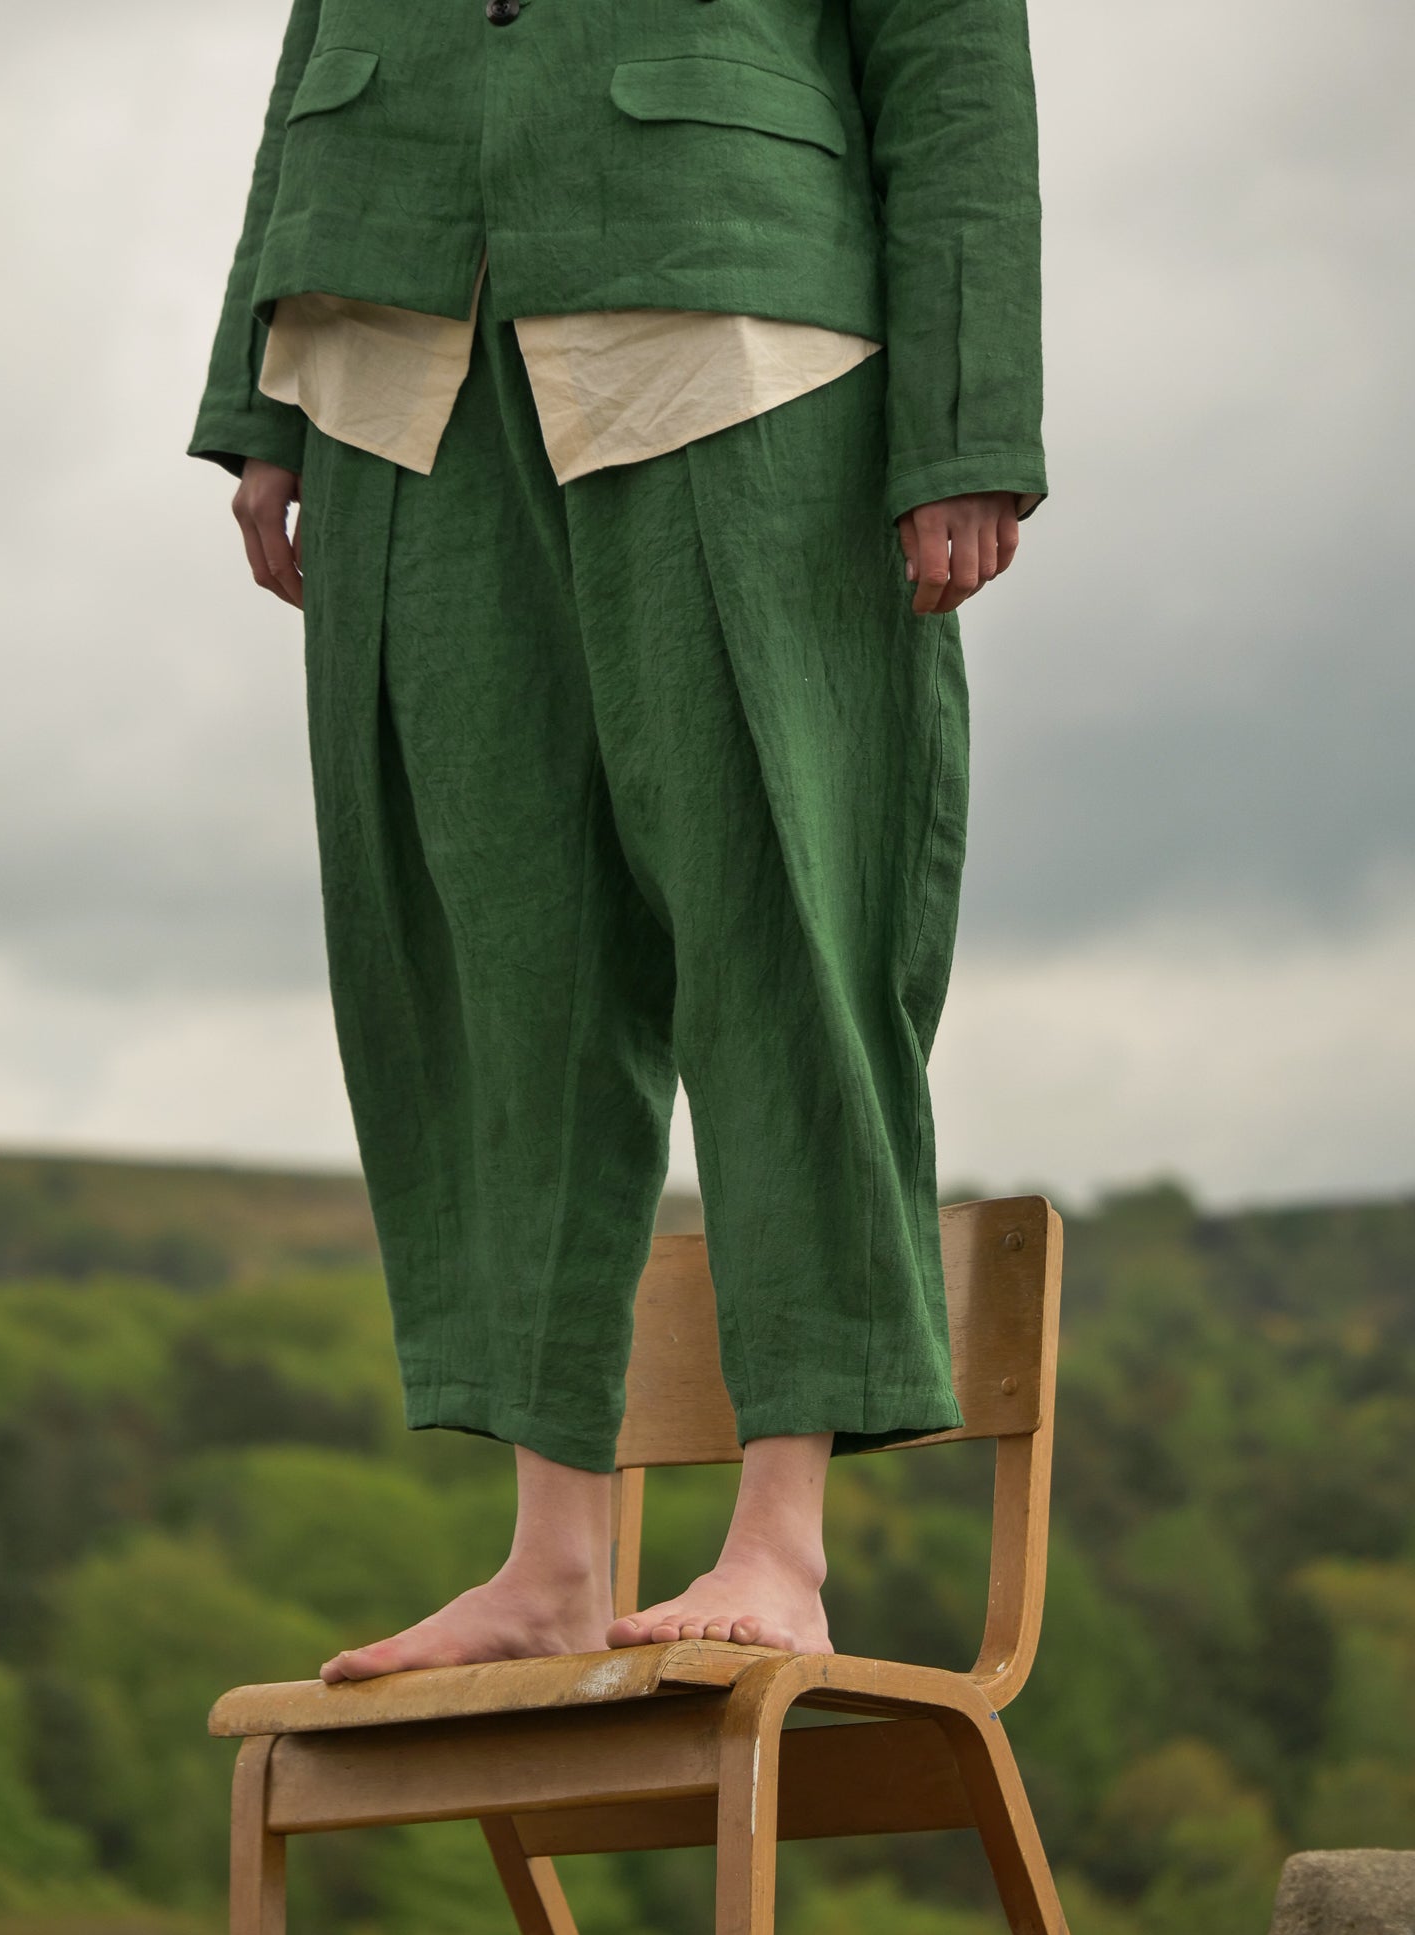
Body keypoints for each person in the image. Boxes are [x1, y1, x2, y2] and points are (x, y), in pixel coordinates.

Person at [186, 0, 1048, 1683]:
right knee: (490, 944)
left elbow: (952, 54)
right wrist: (258, 389)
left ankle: (780, 1540)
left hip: (741, 314)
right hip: (388, 329)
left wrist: (967, 424)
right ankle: (552, 1557)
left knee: (783, 914)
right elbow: (315, 33)